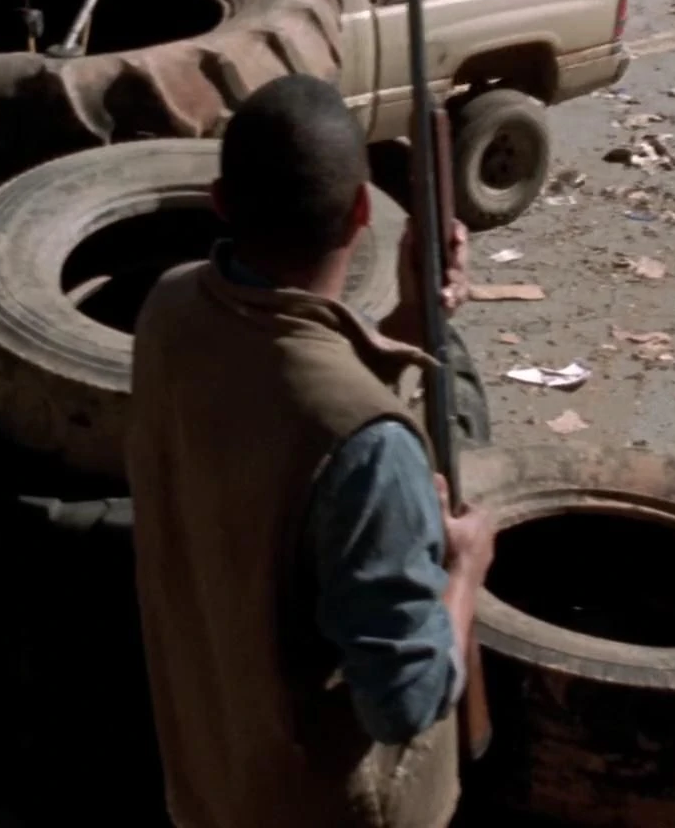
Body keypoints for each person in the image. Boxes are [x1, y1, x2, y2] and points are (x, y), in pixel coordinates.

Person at [125, 74, 497, 828]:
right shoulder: (371, 445)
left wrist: (412, 316)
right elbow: (404, 702)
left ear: (220, 201)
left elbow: (284, 387)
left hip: (212, 773)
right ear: (362, 211)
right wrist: (464, 568)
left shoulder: (169, 308)